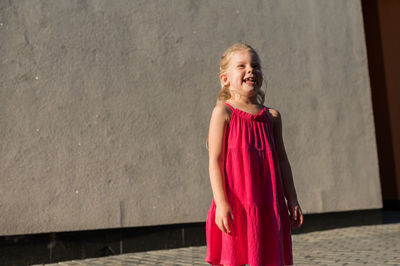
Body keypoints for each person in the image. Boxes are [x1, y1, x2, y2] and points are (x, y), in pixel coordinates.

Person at [205, 43, 303, 266]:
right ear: (225, 79)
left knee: (267, 257)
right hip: (236, 203)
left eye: (255, 65)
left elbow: (282, 161)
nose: (251, 70)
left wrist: (293, 199)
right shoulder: (223, 112)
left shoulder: (272, 116)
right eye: (242, 66)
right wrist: (221, 203)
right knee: (236, 258)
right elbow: (215, 161)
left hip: (269, 203)